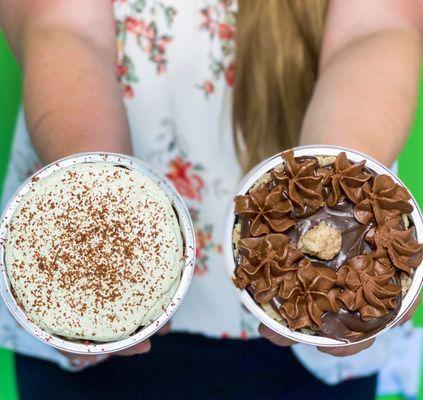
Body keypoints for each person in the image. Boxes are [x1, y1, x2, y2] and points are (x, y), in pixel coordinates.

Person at [0, 0, 422, 398]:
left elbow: (375, 26)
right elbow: (61, 22)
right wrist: (102, 199)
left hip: (319, 321)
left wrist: (332, 206)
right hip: (75, 267)